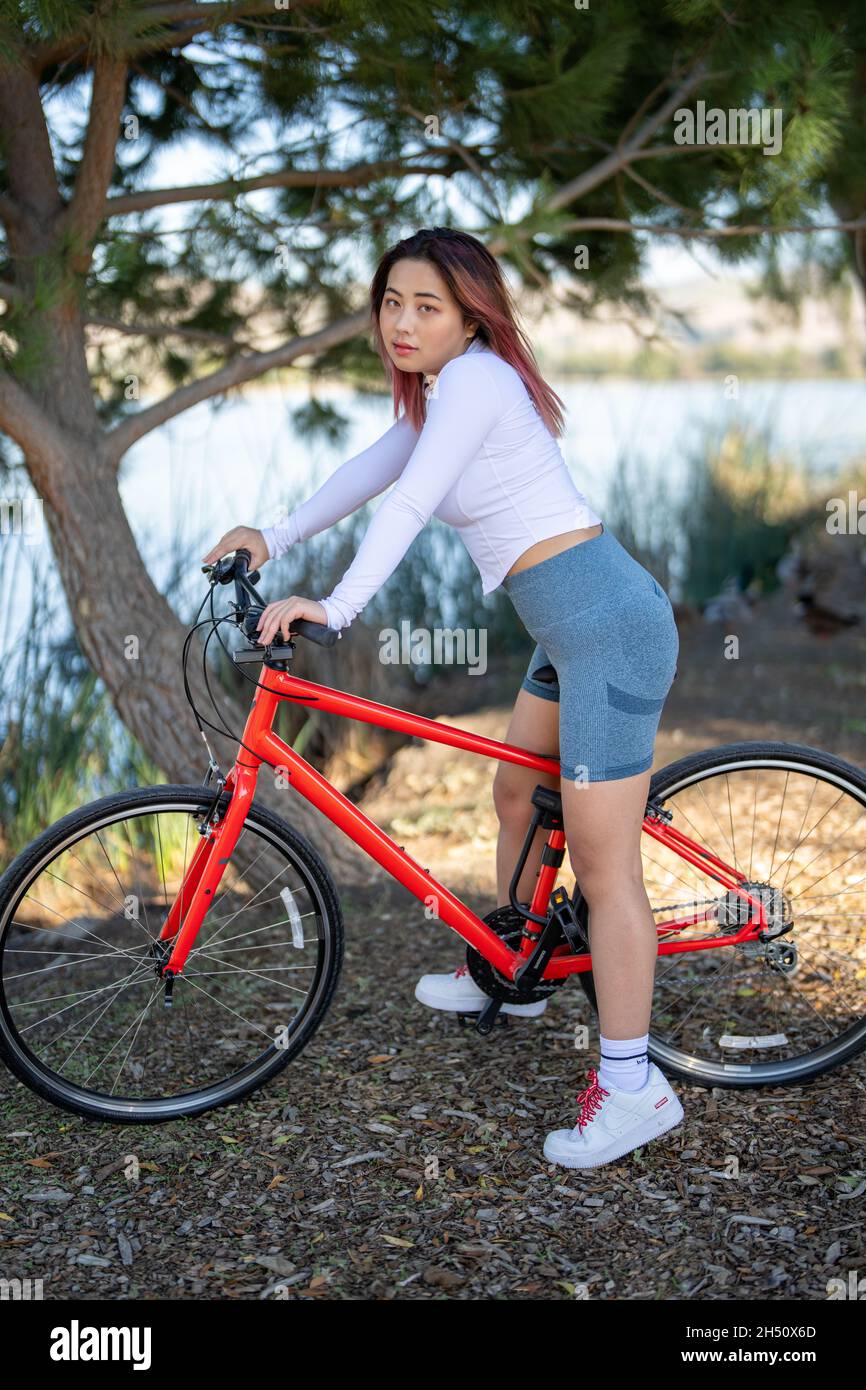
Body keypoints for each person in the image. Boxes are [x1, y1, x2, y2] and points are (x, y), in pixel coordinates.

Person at [202, 226, 684, 1169]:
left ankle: (634, 1086)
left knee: (602, 859)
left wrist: (335, 605)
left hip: (613, 629)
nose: (403, 322)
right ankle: (520, 972)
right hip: (569, 630)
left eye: (427, 306)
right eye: (392, 303)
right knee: (516, 797)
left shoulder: (478, 382)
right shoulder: (442, 393)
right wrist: (274, 533)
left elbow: (411, 505)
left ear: (471, 316)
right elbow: (373, 471)